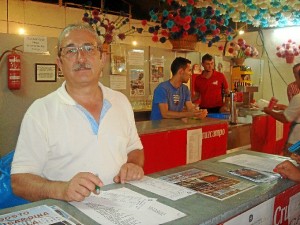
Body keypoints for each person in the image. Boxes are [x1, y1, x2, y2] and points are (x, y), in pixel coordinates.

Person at [11, 23, 144, 202]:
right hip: (69, 213)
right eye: (71, 50)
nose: (81, 58)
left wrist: (133, 165)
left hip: (120, 205)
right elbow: (19, 181)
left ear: (102, 58)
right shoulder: (41, 111)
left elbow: (134, 148)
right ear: (59, 63)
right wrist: (62, 189)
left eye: (89, 49)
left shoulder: (121, 101)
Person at [263, 63, 300, 157]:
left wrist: (269, 111)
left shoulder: (298, 98)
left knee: (291, 162)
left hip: (297, 140)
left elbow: (284, 118)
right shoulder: (291, 88)